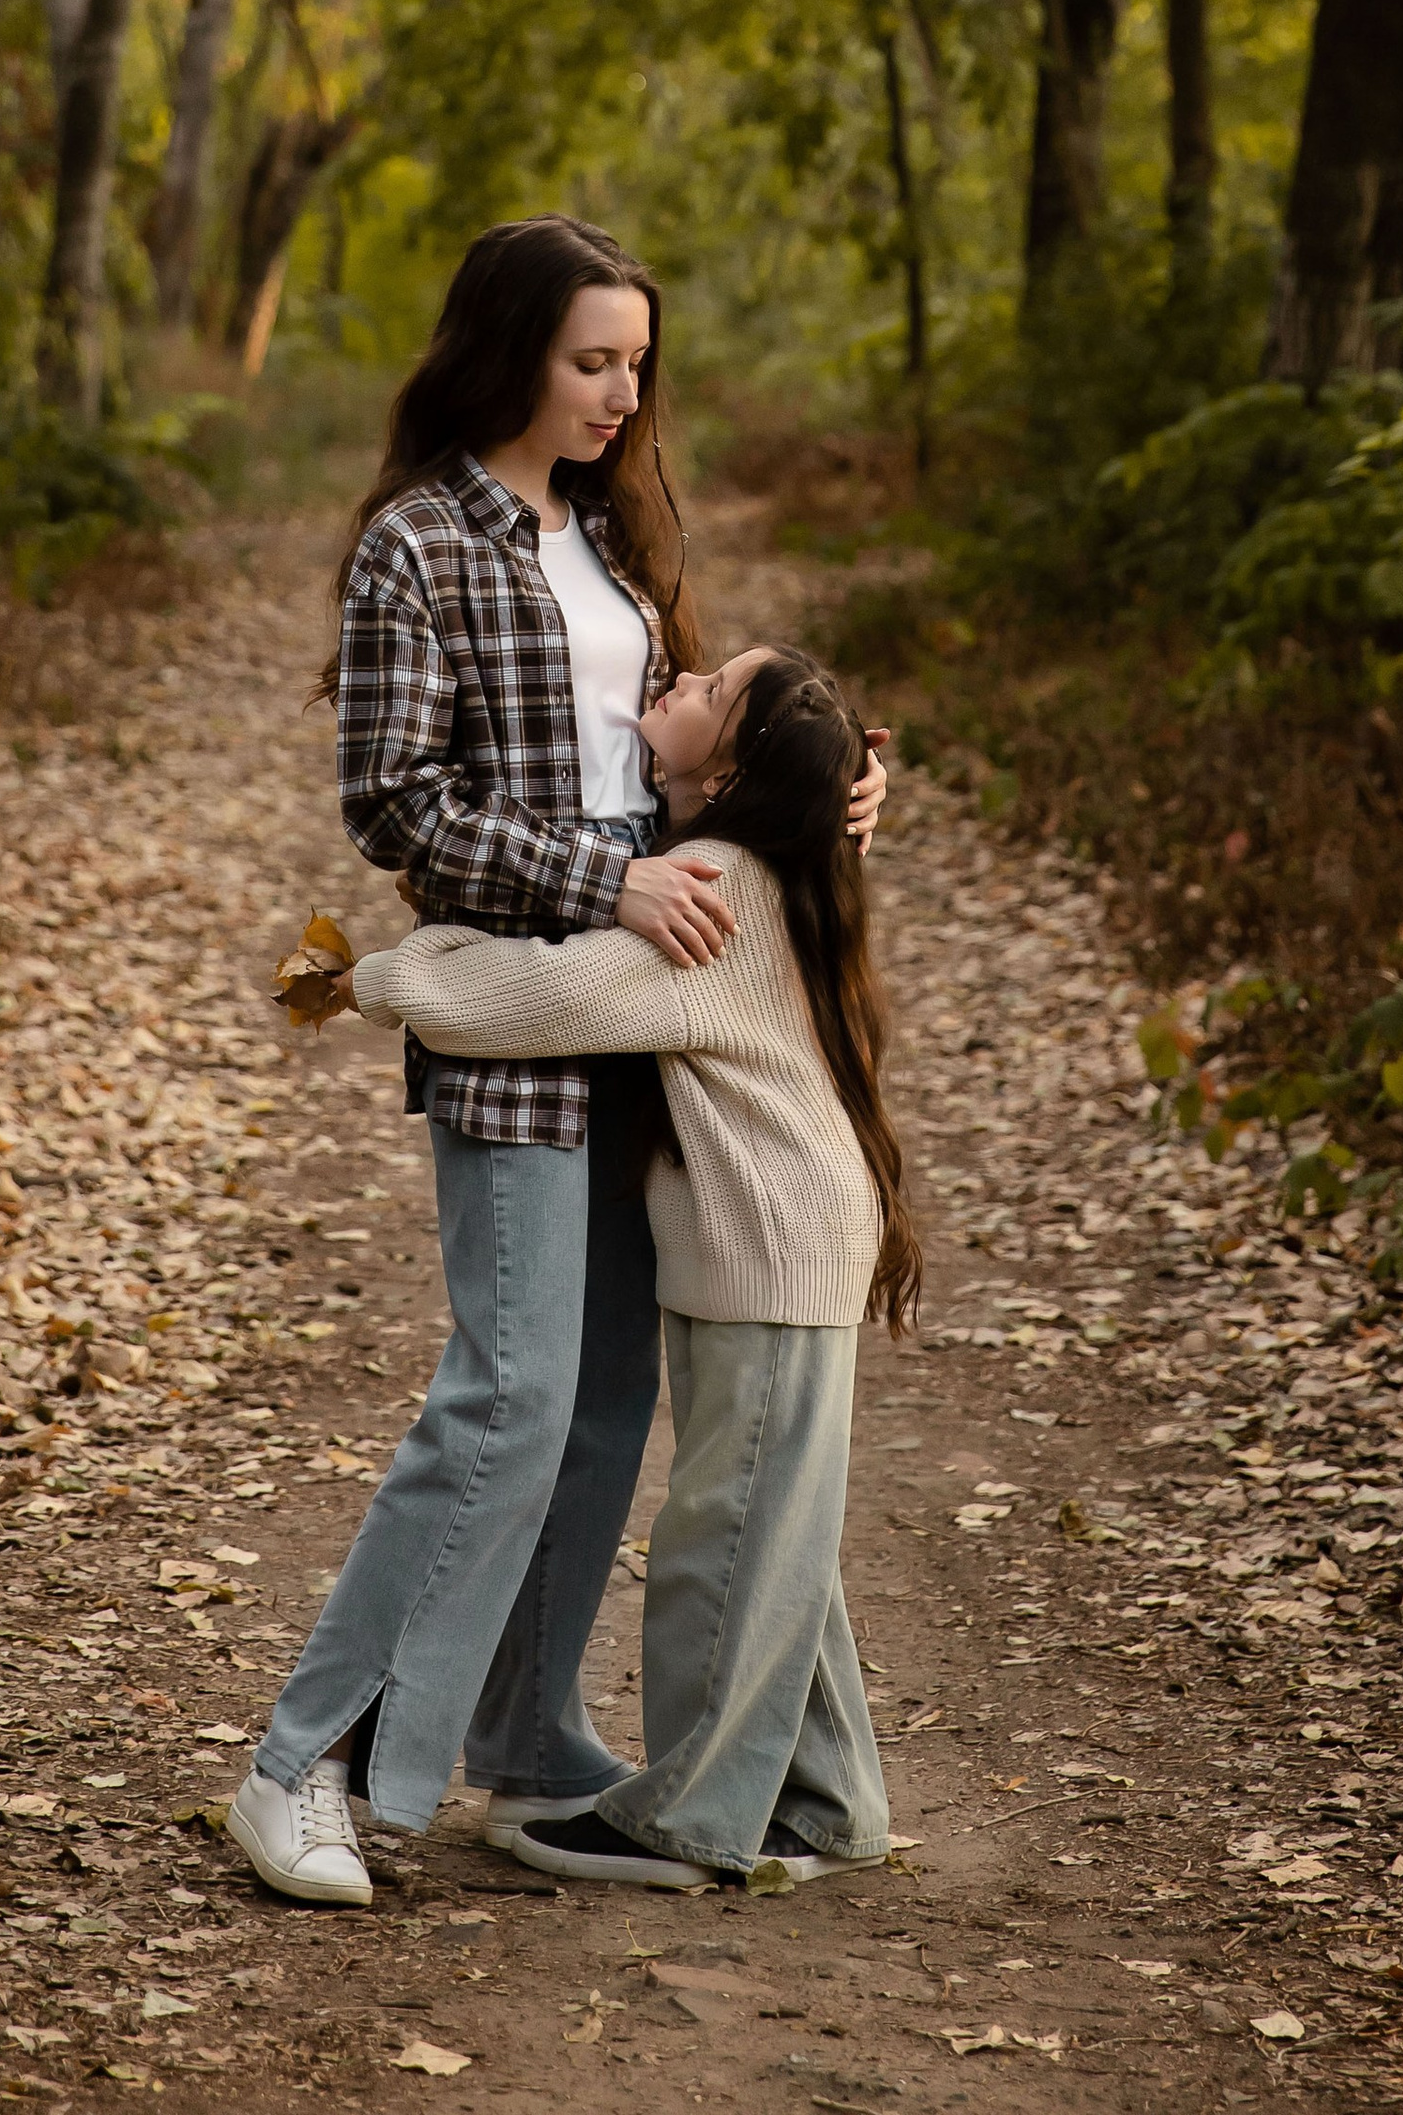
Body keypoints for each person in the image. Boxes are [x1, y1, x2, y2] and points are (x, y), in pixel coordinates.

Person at [226, 217, 885, 1907]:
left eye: (637, 363)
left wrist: (854, 782)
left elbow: (703, 721)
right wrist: (601, 876)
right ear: (509, 347)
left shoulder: (608, 529)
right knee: (508, 1399)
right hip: (532, 1011)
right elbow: (393, 802)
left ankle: (524, 1728)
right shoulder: (417, 543)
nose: (620, 392)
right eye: (592, 358)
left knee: (600, 1406)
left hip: (643, 1044)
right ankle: (302, 1763)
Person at [343, 643, 917, 1890]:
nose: (679, 678)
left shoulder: (707, 885)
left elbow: (537, 1000)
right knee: (780, 1538)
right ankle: (829, 1802)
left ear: (726, 764)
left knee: (726, 1536)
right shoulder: (761, 862)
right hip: (790, 1236)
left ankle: (698, 1817)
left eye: (708, 691)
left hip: (769, 1244)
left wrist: (383, 976)